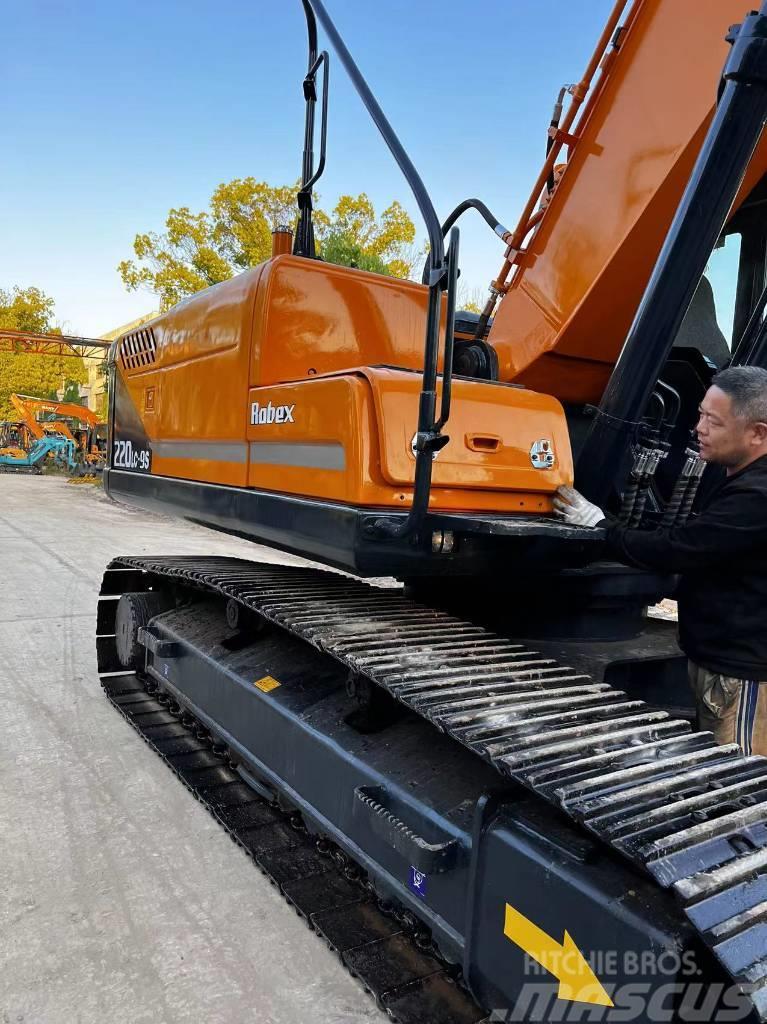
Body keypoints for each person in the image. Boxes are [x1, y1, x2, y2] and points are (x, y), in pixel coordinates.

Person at [554, 365, 767, 756]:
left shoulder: (756, 497)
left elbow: (678, 549)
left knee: (740, 783)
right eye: (700, 414)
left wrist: (602, 527)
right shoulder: (741, 480)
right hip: (724, 660)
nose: (698, 428)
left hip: (742, 673)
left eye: (712, 421)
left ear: (757, 433)